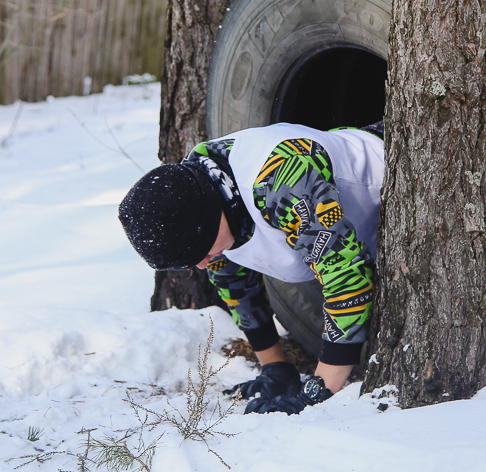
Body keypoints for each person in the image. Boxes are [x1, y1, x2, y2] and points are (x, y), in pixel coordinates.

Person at [119, 122, 384, 414]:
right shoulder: (207, 191)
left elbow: (347, 276)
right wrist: (275, 368)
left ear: (207, 217)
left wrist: (319, 392)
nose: (202, 263)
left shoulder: (280, 180)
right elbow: (232, 281)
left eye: (199, 250)